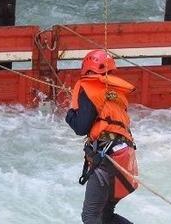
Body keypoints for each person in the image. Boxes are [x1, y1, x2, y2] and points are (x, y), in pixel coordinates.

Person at [66, 49, 139, 224]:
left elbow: (81, 127)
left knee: (90, 216)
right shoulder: (116, 93)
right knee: (105, 216)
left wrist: (69, 114)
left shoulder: (90, 88)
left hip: (108, 158)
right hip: (125, 155)